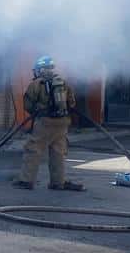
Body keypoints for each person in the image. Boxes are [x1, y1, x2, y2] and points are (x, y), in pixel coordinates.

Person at [12, 56, 83, 191]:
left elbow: (28, 104)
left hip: (45, 122)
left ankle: (26, 180)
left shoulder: (37, 84)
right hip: (62, 123)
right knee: (58, 152)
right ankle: (58, 182)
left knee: (33, 149)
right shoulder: (63, 83)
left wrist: (38, 111)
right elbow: (72, 103)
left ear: (40, 70)